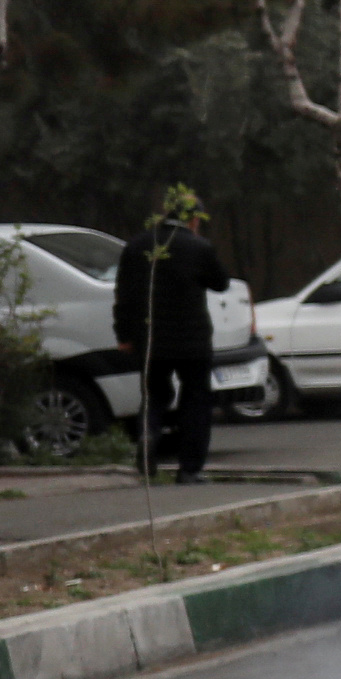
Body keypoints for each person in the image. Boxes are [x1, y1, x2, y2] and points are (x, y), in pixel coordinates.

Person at [110, 187, 231, 484]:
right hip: (193, 341)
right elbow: (221, 283)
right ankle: (190, 469)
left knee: (154, 395)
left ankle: (148, 436)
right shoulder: (199, 248)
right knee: (195, 400)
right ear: (194, 220)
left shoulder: (137, 246)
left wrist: (124, 335)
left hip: (149, 338)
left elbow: (123, 295)